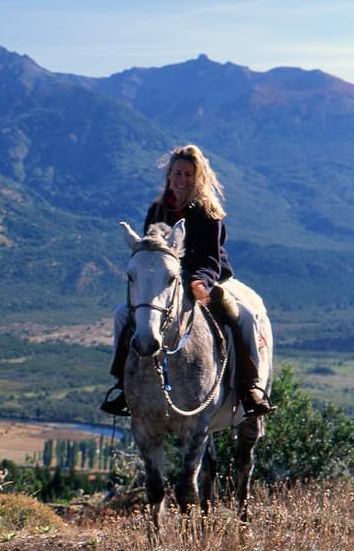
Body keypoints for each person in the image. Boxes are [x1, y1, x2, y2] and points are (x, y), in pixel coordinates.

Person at [101, 144, 274, 418]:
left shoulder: (209, 213)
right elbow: (152, 253)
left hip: (208, 279)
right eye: (178, 173)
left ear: (198, 177)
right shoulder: (156, 211)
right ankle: (123, 384)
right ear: (169, 175)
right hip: (167, 284)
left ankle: (249, 385)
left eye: (188, 174)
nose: (182, 180)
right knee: (123, 314)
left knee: (246, 315)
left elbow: (211, 260)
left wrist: (197, 282)